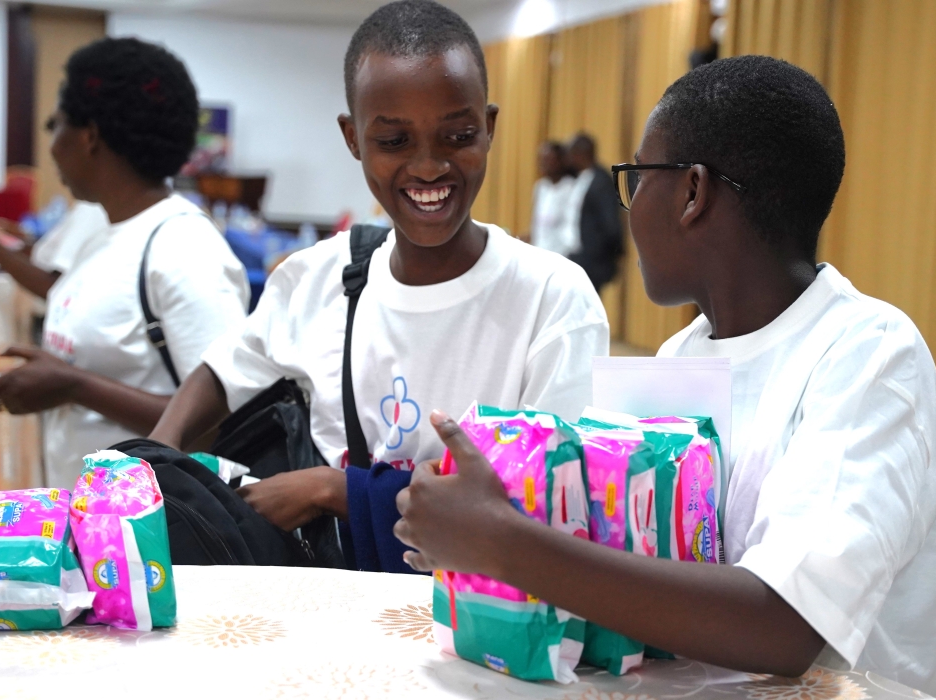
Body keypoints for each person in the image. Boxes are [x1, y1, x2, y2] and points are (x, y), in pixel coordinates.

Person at [394, 56, 936, 697]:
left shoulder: (871, 357)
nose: (630, 211)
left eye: (637, 179)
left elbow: (784, 625)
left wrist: (505, 544)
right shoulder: (678, 357)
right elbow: (631, 575)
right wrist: (490, 521)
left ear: (692, 192)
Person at [148, 0, 608, 573]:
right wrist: (151, 466)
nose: (429, 166)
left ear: (489, 128)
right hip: (328, 616)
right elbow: (222, 370)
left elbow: (553, 512)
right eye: (393, 142)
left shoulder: (551, 298)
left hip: (478, 630)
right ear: (353, 137)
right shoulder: (318, 277)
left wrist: (332, 488)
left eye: (458, 135)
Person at [0, 38, 249, 488]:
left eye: (56, 125)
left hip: (156, 533)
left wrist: (74, 386)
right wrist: (56, 376)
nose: (53, 146)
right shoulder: (106, 235)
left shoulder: (183, 247)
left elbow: (226, 416)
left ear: (89, 135)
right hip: (91, 520)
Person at [0, 200, 110, 299]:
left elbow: (55, 287)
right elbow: (45, 258)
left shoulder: (92, 210)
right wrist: (3, 242)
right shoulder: (93, 208)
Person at [565, 133, 622, 290]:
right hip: (576, 255)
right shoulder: (580, 178)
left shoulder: (601, 182)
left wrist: (608, 257)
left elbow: (610, 223)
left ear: (579, 154)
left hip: (592, 259)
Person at [528, 140, 576, 254]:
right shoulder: (540, 187)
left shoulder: (571, 188)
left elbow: (570, 229)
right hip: (539, 254)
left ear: (561, 161)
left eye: (548, 160)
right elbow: (538, 225)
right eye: (541, 160)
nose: (543, 164)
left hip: (562, 256)